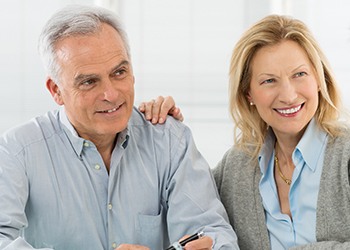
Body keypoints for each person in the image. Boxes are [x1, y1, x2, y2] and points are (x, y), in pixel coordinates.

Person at [0, 4, 239, 250]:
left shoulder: (168, 139)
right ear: (56, 91)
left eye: (119, 72)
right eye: (89, 82)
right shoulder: (17, 151)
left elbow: (213, 232)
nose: (111, 94)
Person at [140, 14, 350, 249]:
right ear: (248, 94)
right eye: (269, 80)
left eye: (299, 74)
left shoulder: (346, 156)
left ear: (319, 79)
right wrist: (158, 130)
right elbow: (182, 207)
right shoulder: (236, 168)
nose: (289, 95)